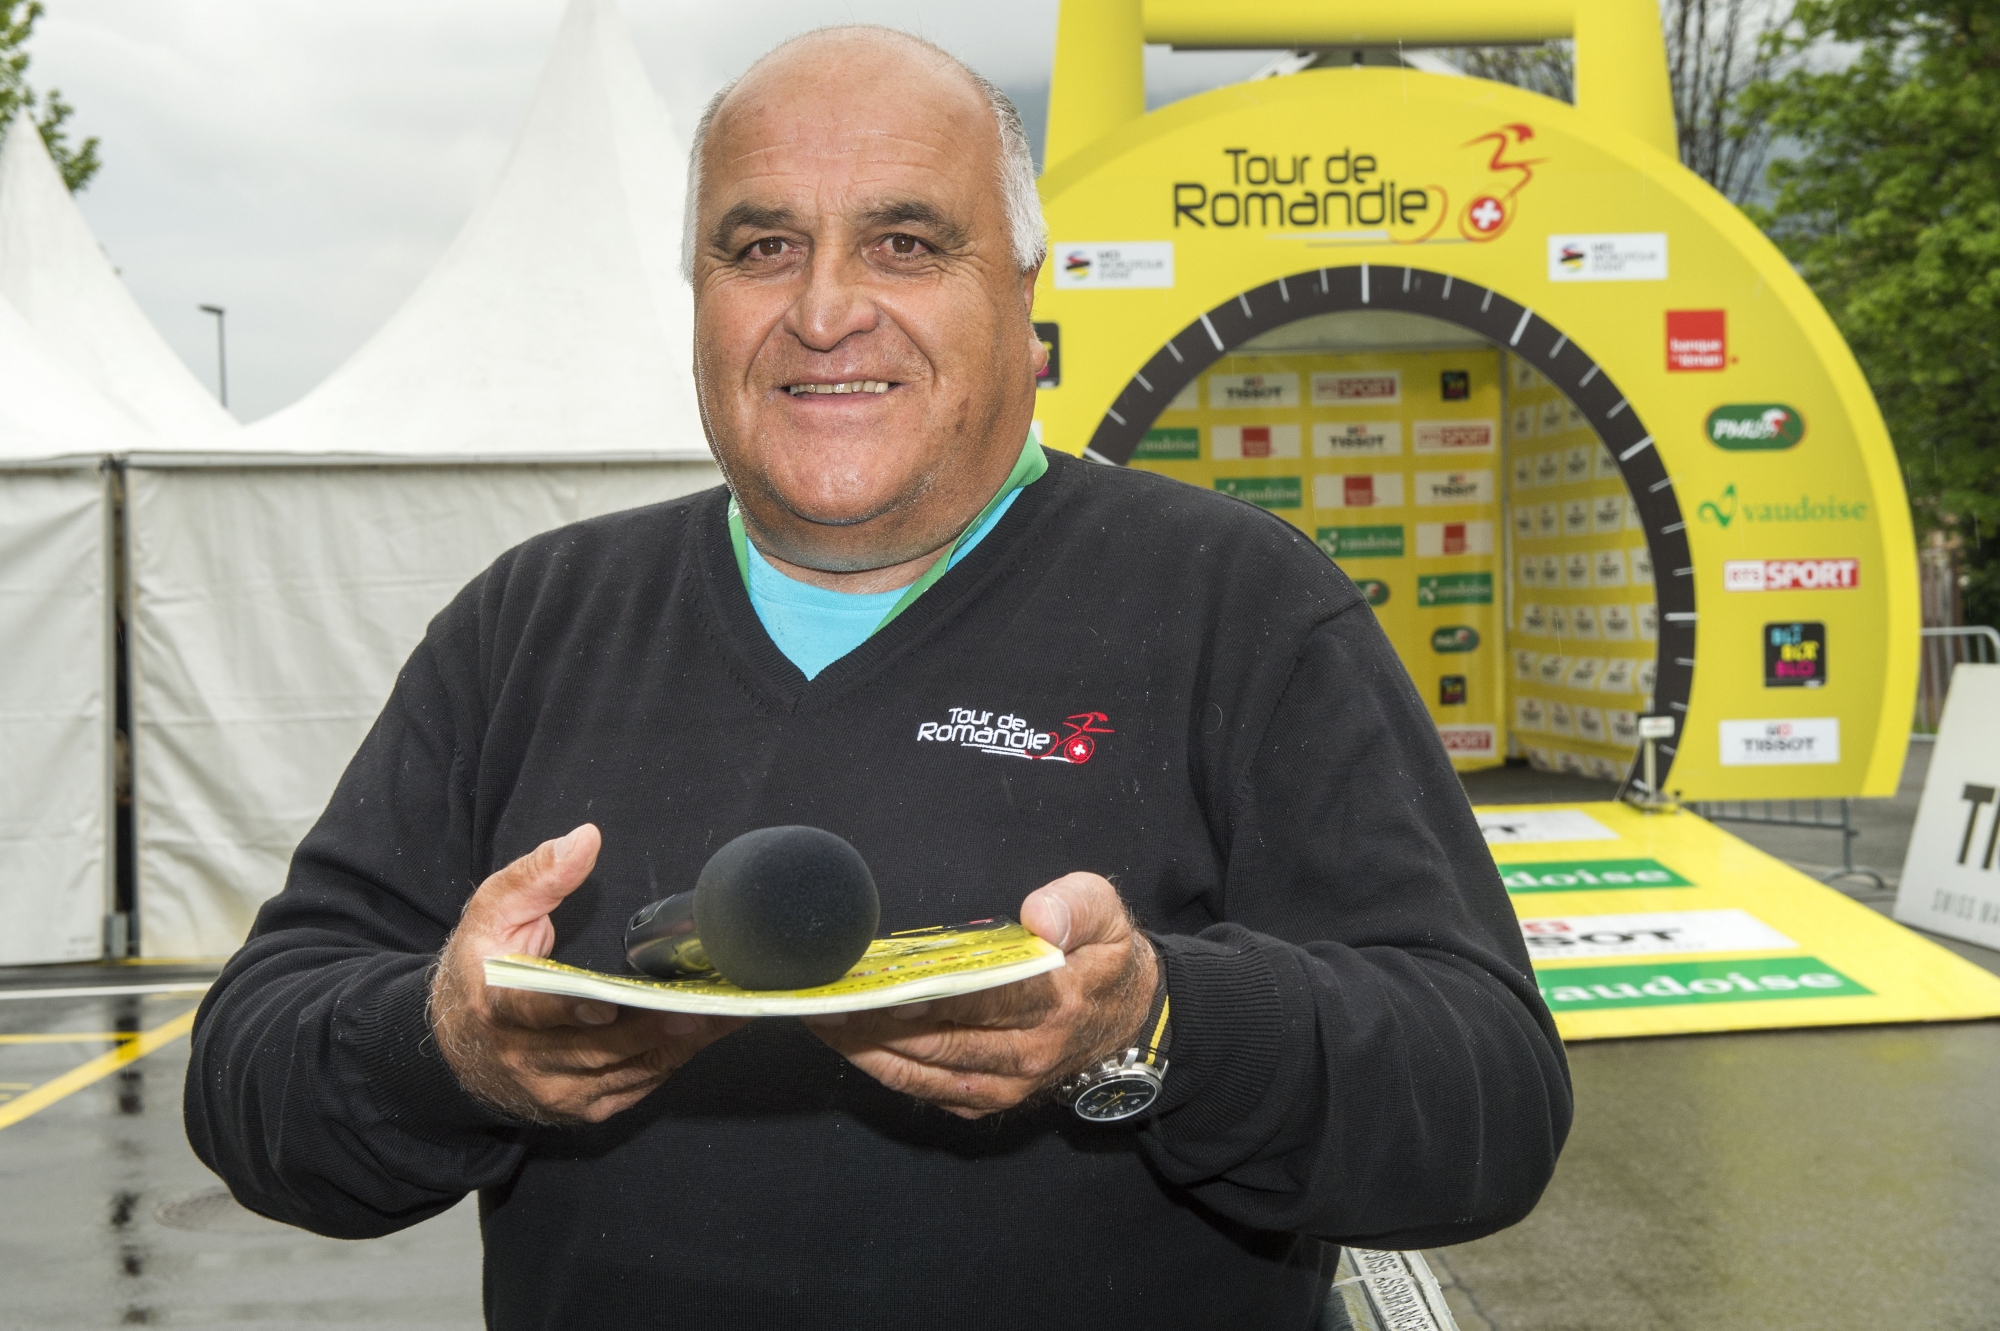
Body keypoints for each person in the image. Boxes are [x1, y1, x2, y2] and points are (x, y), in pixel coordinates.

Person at [186, 26, 1569, 1329]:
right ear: (701, 300)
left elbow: (1488, 1104)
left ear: (1025, 297)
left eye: (905, 242)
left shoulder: (1239, 607)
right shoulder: (532, 622)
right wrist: (442, 1047)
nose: (826, 309)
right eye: (763, 246)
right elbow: (252, 1075)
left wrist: (1157, 1026)